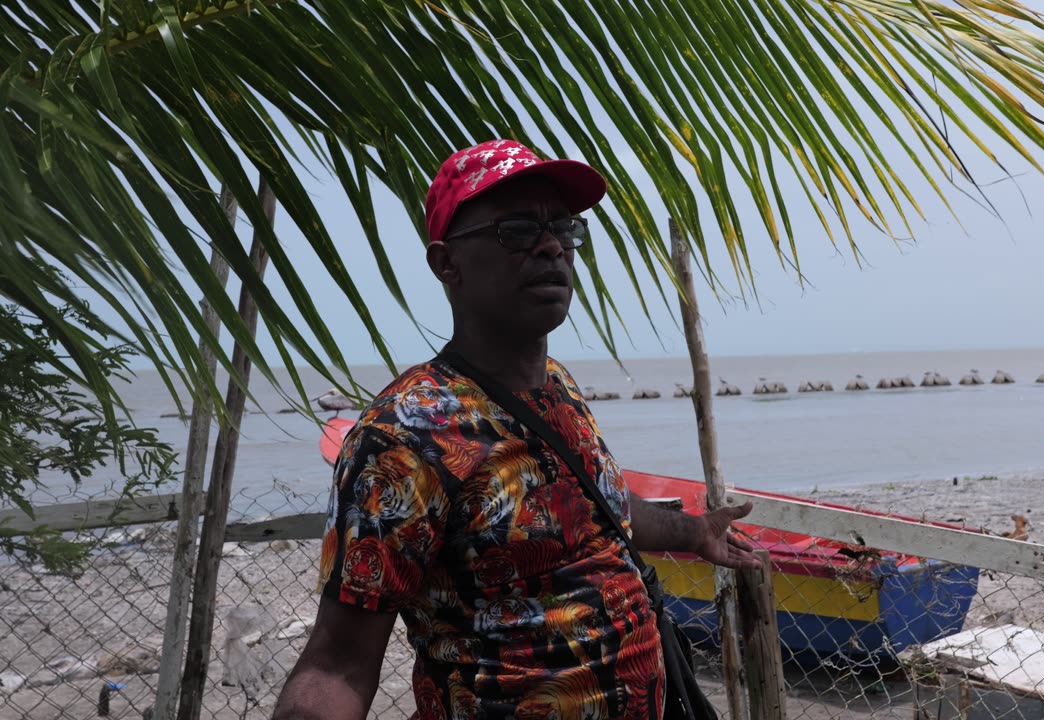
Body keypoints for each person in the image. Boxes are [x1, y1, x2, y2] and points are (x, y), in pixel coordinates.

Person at [274, 139, 760, 720]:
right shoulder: (405, 436)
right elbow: (338, 666)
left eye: (563, 228)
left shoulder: (556, 386)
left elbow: (598, 507)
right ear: (446, 263)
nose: (553, 245)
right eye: (519, 229)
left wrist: (695, 531)